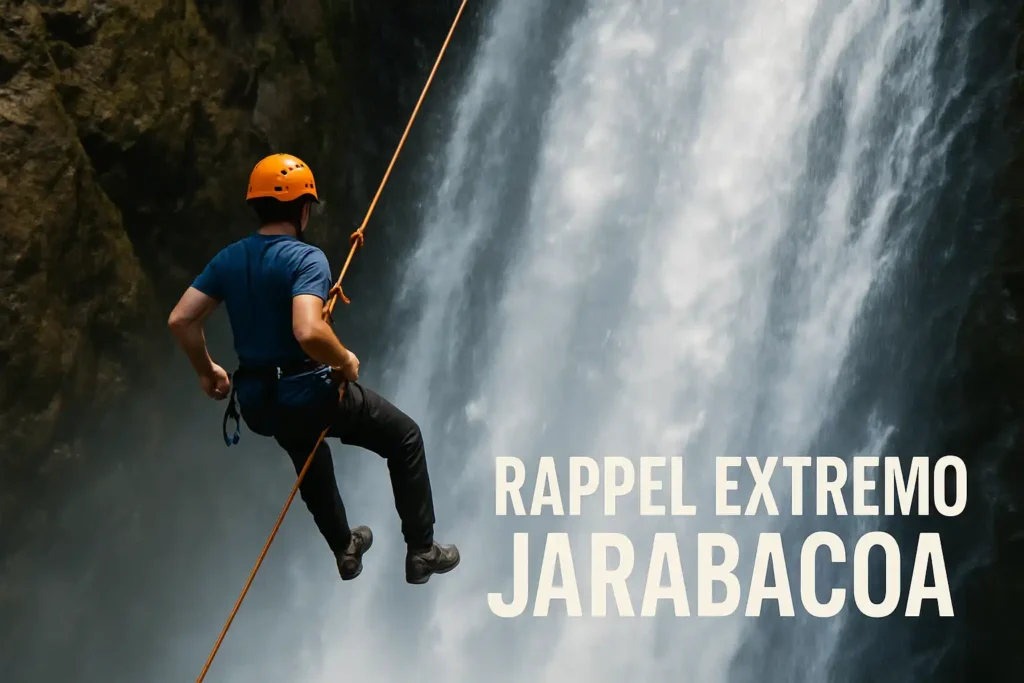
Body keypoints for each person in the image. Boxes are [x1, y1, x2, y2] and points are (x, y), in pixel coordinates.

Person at [167, 153, 460, 584]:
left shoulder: (229, 259)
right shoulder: (306, 259)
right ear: (303, 208)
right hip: (308, 394)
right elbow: (307, 331)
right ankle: (421, 550)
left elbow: (181, 319)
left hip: (259, 404)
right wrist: (345, 361)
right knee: (404, 437)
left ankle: (345, 548)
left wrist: (207, 370)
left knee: (306, 449)